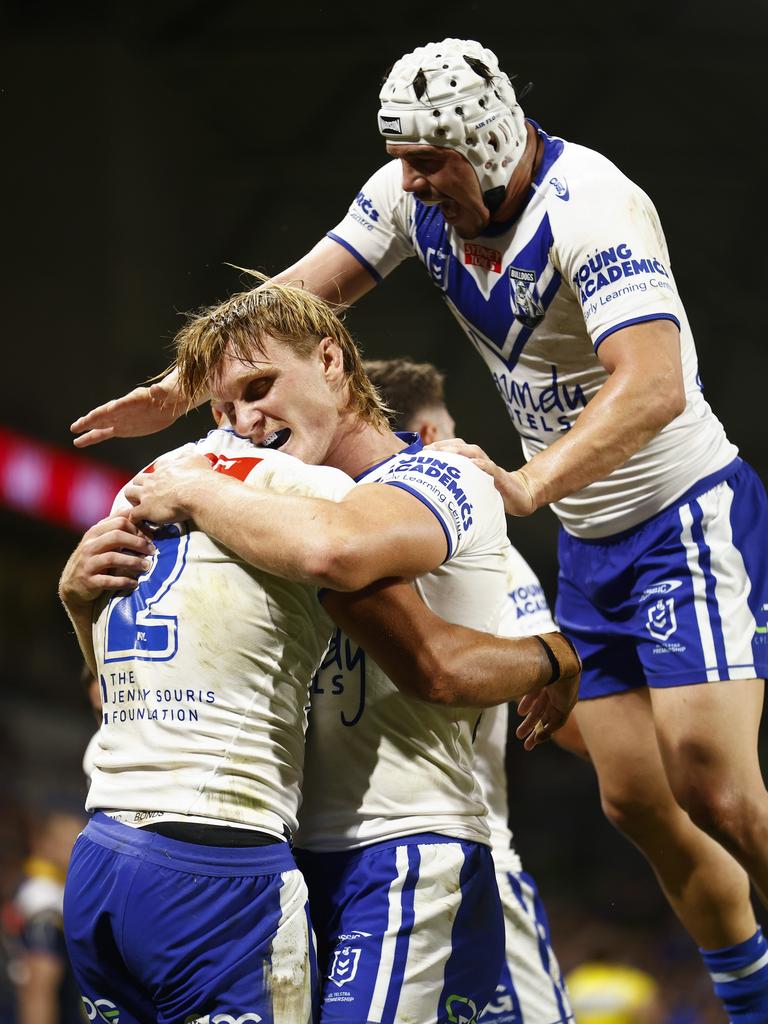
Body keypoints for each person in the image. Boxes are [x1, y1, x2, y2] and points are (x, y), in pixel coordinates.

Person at [70, 37, 768, 1019]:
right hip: (585, 534)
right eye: (402, 158)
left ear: (487, 138)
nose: (411, 181)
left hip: (676, 507)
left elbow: (651, 384)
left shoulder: (593, 206)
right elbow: (288, 300)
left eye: (430, 159)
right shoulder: (408, 203)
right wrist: (183, 383)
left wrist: (526, 489)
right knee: (635, 798)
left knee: (715, 785)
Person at [64, 282, 581, 1024]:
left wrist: (559, 656)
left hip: (402, 849)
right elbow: (120, 696)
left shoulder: (440, 475)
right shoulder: (256, 502)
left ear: (333, 359)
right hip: (278, 855)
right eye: (224, 406)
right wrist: (84, 600)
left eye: (261, 387)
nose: (245, 420)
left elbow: (344, 563)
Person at [364, 355, 574, 1020]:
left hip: (325, 870)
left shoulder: (304, 525)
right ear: (430, 437)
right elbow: (558, 721)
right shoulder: (481, 539)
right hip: (458, 860)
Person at [9, 806, 86, 1024]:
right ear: (45, 845)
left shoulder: (45, 886)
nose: (76, 853)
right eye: (68, 844)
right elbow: (39, 987)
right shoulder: (44, 897)